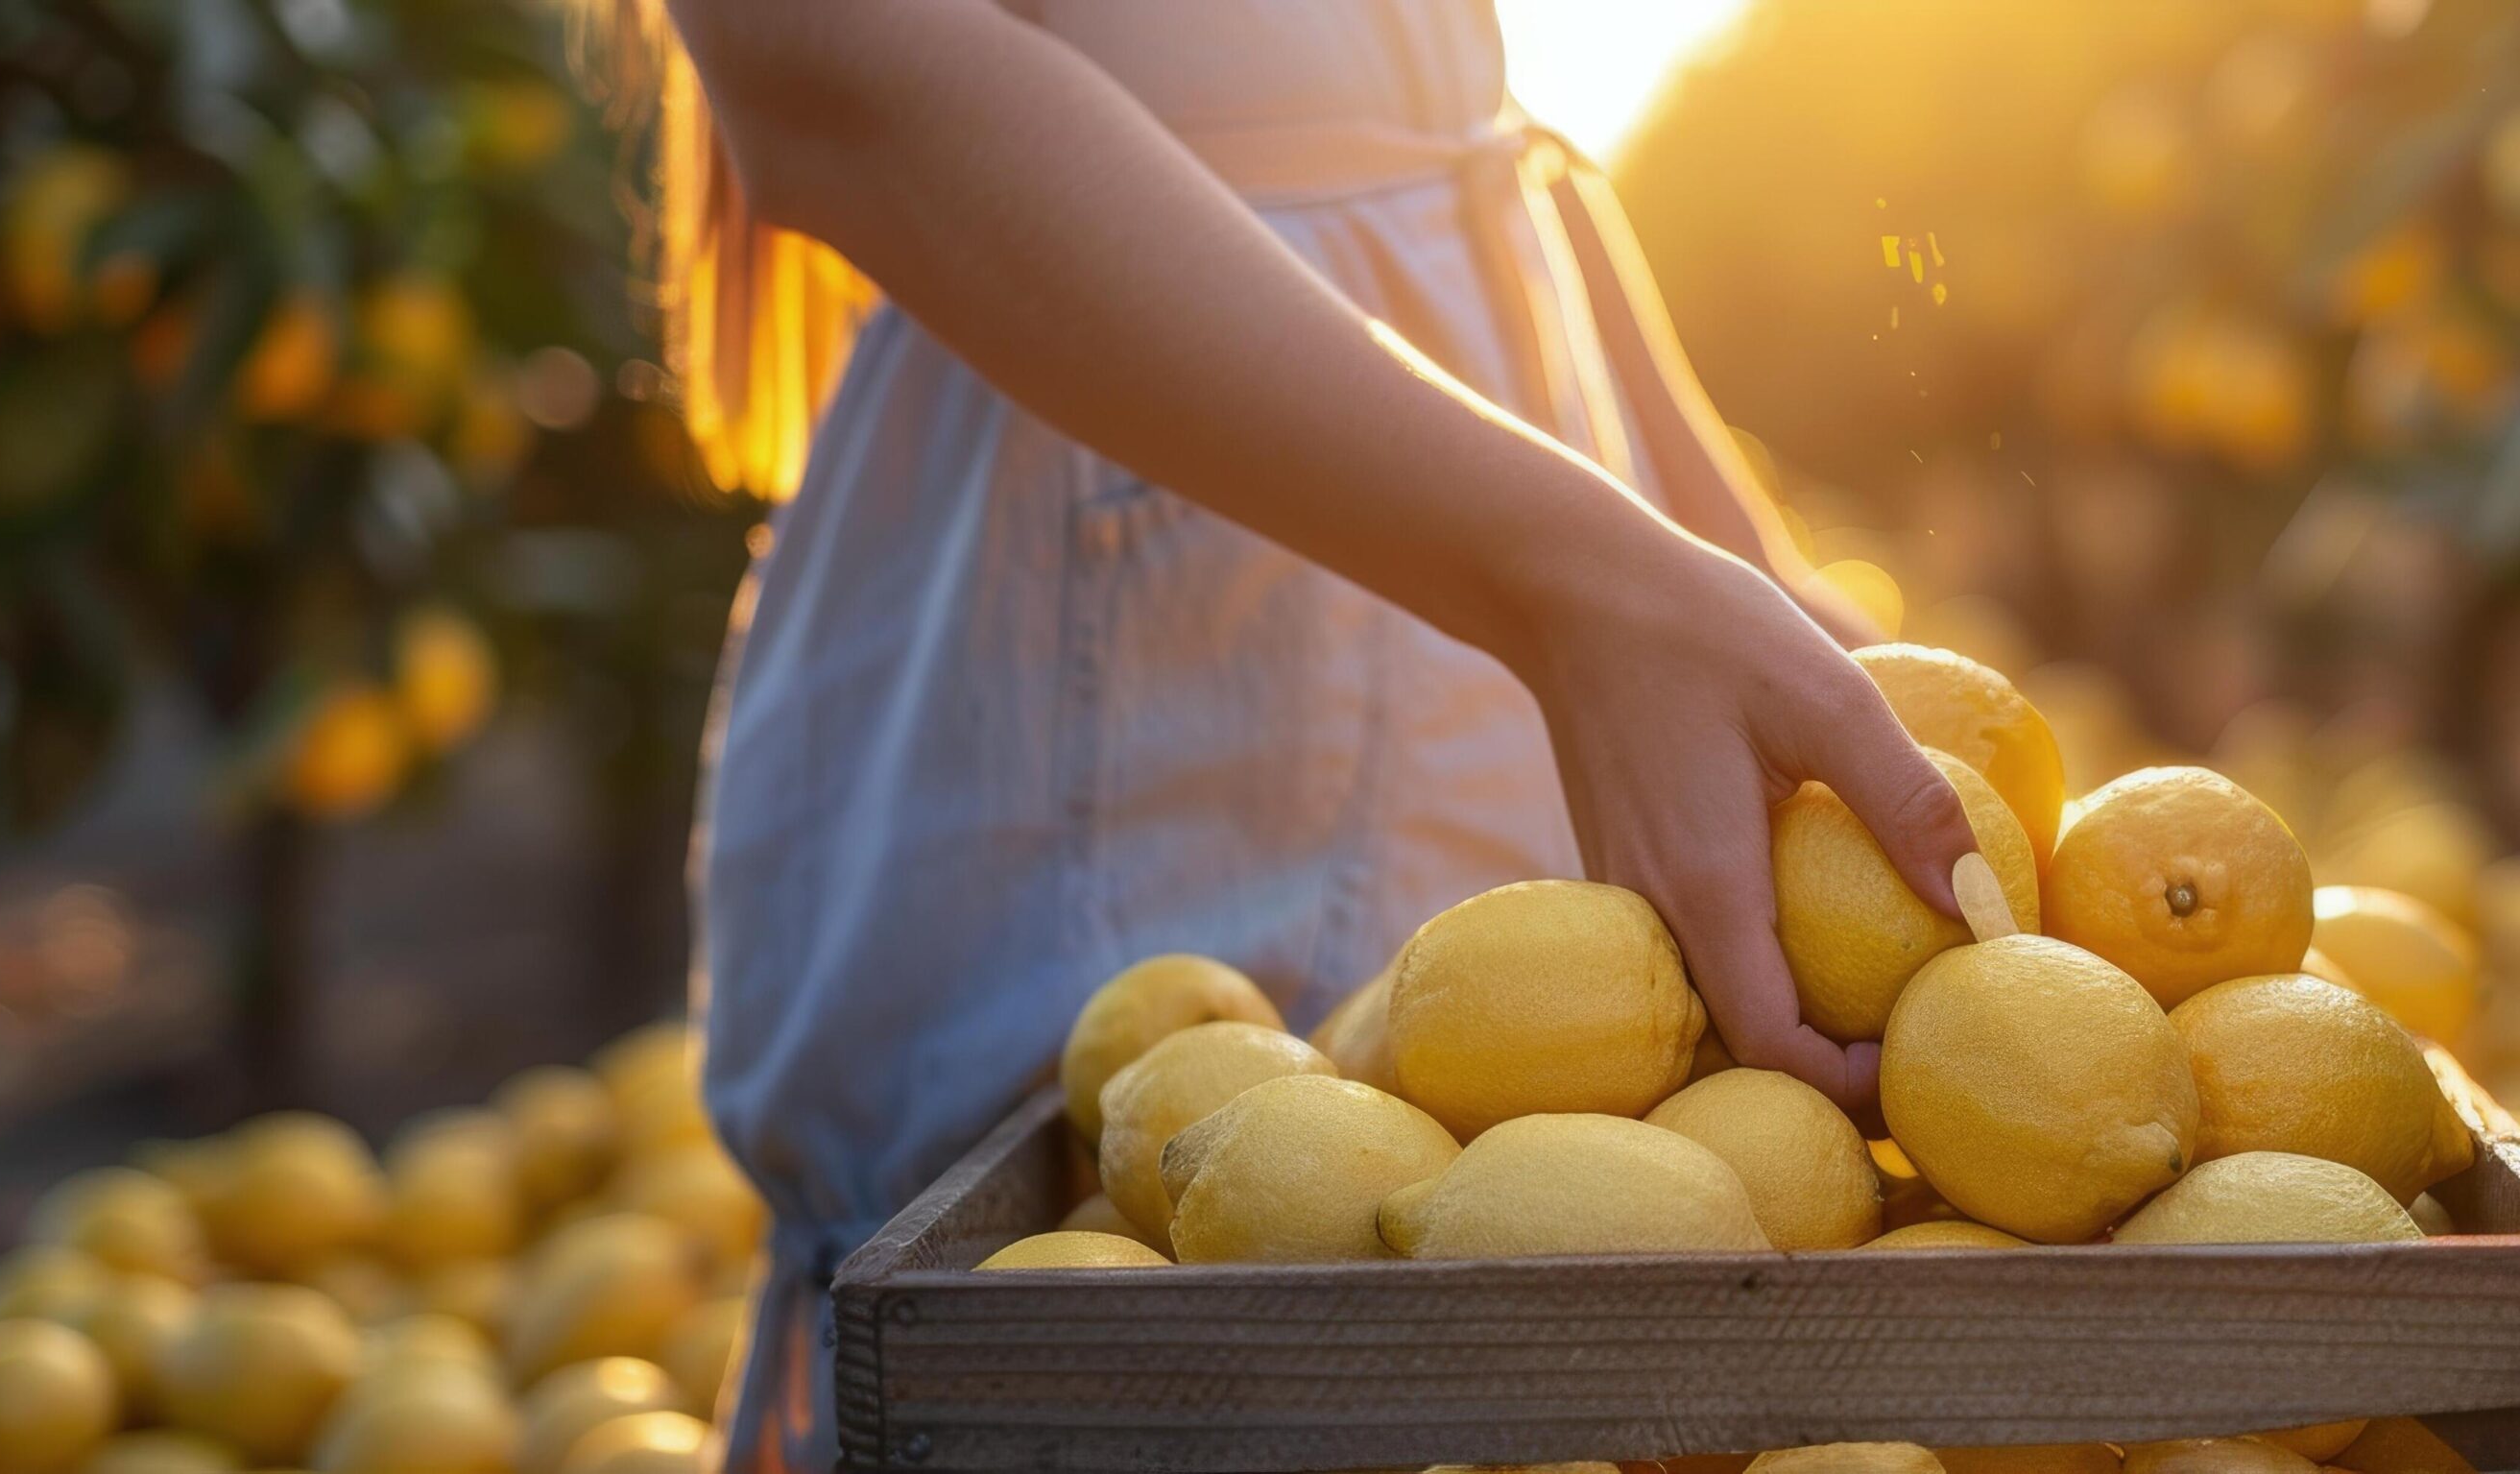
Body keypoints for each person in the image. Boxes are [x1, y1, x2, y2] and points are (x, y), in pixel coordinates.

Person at [621, 2, 1982, 1465]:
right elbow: (821, 60)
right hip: (1152, 602)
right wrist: (1579, 589)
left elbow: (1453, 113)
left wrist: (1721, 560)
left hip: (1453, 513)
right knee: (1119, 1314)